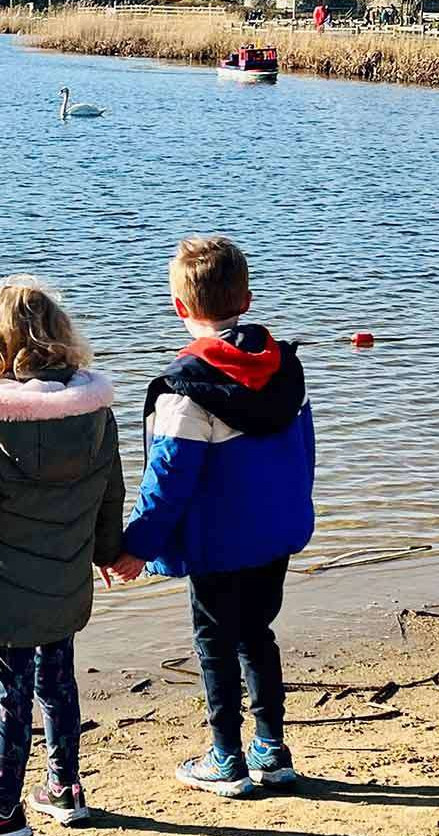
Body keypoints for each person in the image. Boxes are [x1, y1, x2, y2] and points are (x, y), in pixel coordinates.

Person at [109, 237, 315, 798]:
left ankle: (226, 756)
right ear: (245, 299)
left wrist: (137, 544)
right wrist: (298, 510)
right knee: (257, 633)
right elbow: (305, 453)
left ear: (179, 307)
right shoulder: (285, 368)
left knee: (214, 642)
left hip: (218, 545)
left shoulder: (185, 392)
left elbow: (168, 478)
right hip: (276, 532)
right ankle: (272, 750)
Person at [0, 277, 124, 836]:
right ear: (60, 336)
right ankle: (65, 788)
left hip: (3, 593)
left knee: (9, 696)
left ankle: (1, 811)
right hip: (66, 582)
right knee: (58, 683)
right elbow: (109, 497)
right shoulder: (95, 416)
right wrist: (110, 553)